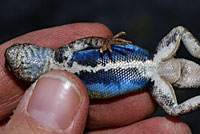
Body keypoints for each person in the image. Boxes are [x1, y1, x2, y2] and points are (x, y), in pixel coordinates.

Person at [0, 23, 191, 134]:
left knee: (179, 31)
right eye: (18, 67)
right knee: (173, 109)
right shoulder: (54, 85)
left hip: (154, 60)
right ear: (27, 77)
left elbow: (86, 42)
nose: (24, 56)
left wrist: (105, 43)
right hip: (150, 80)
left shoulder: (62, 54)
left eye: (24, 47)